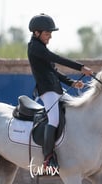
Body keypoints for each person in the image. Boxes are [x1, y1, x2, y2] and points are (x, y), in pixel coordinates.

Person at [27, 13, 93, 172]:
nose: (50, 36)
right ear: (36, 33)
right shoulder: (34, 47)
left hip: (57, 89)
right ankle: (48, 158)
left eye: (50, 33)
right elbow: (56, 58)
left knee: (74, 111)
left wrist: (72, 83)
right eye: (47, 33)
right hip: (47, 91)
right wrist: (80, 67)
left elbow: (54, 71)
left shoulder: (42, 47)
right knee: (54, 120)